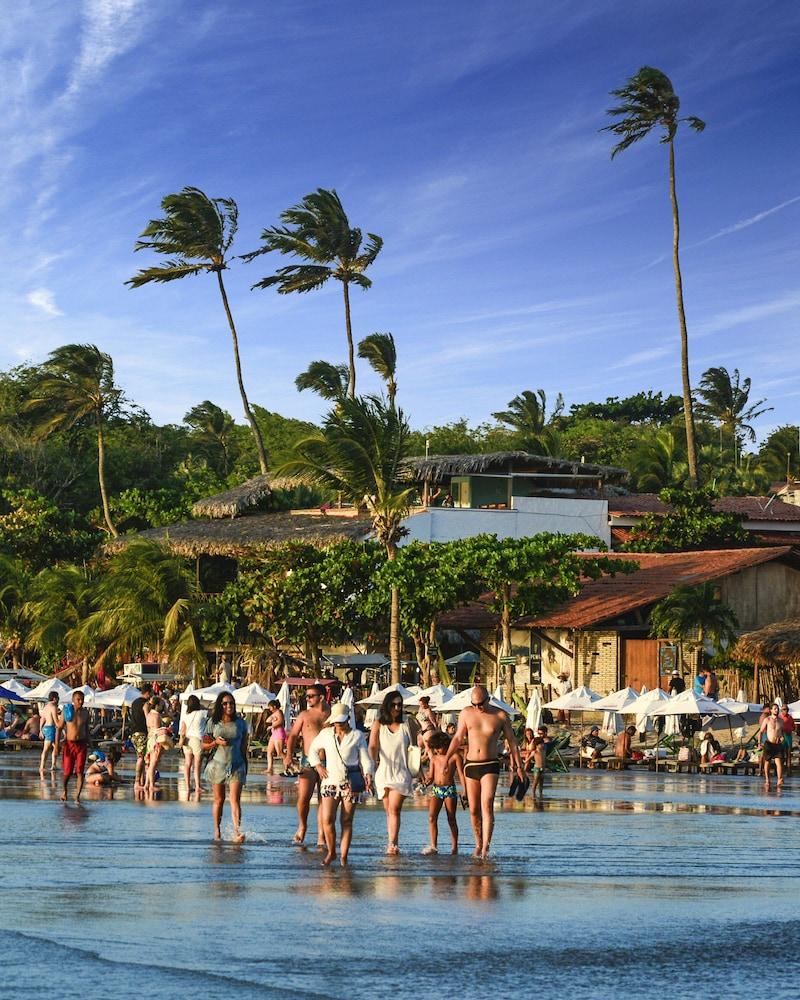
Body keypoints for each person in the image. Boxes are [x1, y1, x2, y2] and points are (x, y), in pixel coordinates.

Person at [445, 684, 524, 860]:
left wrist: (519, 767)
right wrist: (447, 758)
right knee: (473, 809)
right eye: (474, 704)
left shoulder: (500, 715)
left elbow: (512, 742)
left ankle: (485, 848)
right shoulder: (466, 713)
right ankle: (478, 843)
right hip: (471, 764)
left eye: (480, 704)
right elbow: (458, 737)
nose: (477, 708)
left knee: (486, 804)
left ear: (488, 700)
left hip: (490, 764)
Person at [307, 702, 374, 867]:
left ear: (348, 720)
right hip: (330, 781)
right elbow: (312, 750)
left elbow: (365, 758)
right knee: (327, 818)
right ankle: (331, 851)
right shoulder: (326, 734)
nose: (339, 725)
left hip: (350, 781)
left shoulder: (357, 735)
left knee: (346, 820)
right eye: (336, 722)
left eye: (342, 721)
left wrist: (368, 775)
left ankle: (344, 856)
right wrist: (318, 766)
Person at [369, 691, 419, 855]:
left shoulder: (407, 723)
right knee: (388, 810)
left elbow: (414, 748)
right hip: (383, 772)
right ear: (387, 705)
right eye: (394, 705)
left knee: (394, 809)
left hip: (402, 772)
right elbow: (373, 746)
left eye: (400, 705)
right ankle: (393, 842)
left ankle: (392, 844)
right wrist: (370, 766)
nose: (397, 708)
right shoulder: (379, 724)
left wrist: (420, 770)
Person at [284, 683, 330, 846]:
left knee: (325, 801)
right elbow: (293, 736)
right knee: (303, 798)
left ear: (322, 697)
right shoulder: (304, 715)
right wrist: (289, 755)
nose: (308, 698)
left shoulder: (332, 715)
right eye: (307, 696)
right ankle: (302, 826)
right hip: (308, 760)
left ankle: (321, 835)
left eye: (311, 696)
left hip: (329, 762)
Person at [203, 691, 249, 842]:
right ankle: (217, 830)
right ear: (220, 705)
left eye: (231, 703)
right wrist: (215, 742)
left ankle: (237, 831)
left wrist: (245, 765)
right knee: (219, 799)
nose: (229, 706)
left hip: (237, 764)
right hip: (218, 765)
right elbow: (204, 745)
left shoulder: (241, 723)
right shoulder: (213, 723)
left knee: (235, 799)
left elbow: (244, 746)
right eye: (225, 703)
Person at [422, 731, 465, 855]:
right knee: (431, 817)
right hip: (436, 789)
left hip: (449, 789)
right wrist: (426, 781)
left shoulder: (455, 757)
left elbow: (461, 775)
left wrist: (465, 790)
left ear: (446, 745)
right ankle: (433, 846)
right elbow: (431, 776)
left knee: (451, 818)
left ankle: (454, 847)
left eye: (439, 747)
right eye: (435, 748)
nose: (437, 750)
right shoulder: (434, 758)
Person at [58, 690, 89, 803]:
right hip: (69, 745)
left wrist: (90, 744)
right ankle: (65, 791)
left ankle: (77, 796)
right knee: (67, 773)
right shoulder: (67, 711)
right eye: (78, 699)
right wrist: (57, 746)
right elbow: (59, 728)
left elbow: (86, 730)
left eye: (82, 699)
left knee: (80, 772)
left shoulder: (85, 713)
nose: (81, 702)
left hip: (81, 745)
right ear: (73, 700)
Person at [179, 694, 207, 793]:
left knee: (187, 763)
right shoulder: (202, 713)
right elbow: (213, 712)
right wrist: (203, 706)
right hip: (197, 739)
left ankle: (187, 786)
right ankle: (198, 785)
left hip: (187, 739)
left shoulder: (186, 716)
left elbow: (182, 729)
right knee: (197, 764)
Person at [129, 683, 151, 787]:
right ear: (147, 693)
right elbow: (147, 719)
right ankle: (137, 781)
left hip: (133, 733)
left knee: (140, 756)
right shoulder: (145, 703)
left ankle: (141, 780)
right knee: (141, 758)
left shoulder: (134, 703)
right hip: (142, 732)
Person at [760, 703, 785, 790]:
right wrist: (759, 743)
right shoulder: (767, 720)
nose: (776, 710)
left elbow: (782, 733)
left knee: (779, 763)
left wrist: (782, 738)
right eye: (774, 709)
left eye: (777, 709)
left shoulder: (781, 721)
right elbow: (761, 731)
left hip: (777, 744)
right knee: (767, 762)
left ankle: (779, 779)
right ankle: (767, 779)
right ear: (770, 710)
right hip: (769, 744)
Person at [39, 692, 61, 776]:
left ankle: (52, 765)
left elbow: (42, 719)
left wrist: (41, 730)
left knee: (53, 747)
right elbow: (56, 721)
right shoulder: (53, 707)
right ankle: (47, 766)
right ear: (55, 698)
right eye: (58, 698)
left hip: (45, 728)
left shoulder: (45, 707)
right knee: (49, 748)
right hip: (51, 728)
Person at [265, 700, 286, 776]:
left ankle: (292, 764)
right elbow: (267, 720)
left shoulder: (279, 712)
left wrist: (272, 726)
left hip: (279, 734)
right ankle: (269, 768)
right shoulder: (274, 713)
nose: (269, 709)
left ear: (274, 706)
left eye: (270, 707)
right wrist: (272, 718)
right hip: (274, 734)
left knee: (280, 752)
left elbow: (281, 721)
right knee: (269, 751)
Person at [780, 705, 795, 776]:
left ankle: (789, 771)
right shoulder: (779, 717)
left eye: (786, 709)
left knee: (788, 755)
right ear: (781, 710)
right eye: (784, 709)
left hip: (788, 737)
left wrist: (790, 729)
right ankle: (780, 771)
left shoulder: (790, 717)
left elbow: (794, 727)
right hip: (782, 736)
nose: (785, 711)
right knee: (781, 755)